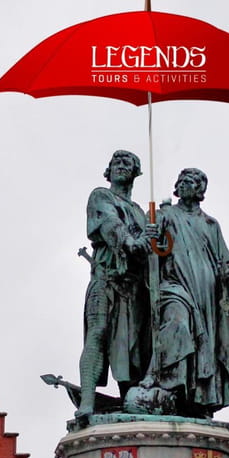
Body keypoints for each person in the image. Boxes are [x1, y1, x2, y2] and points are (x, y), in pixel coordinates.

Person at [142, 168, 229, 417]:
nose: (185, 184)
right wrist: (150, 228)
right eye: (182, 181)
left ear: (200, 190)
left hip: (206, 293)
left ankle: (197, 398)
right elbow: (150, 233)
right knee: (177, 323)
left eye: (192, 182)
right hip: (175, 285)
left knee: (204, 345)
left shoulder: (210, 224)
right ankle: (169, 384)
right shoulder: (167, 214)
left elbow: (225, 259)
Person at [77, 150, 151, 417]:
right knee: (98, 334)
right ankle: (87, 401)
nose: (121, 166)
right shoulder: (101, 196)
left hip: (133, 287)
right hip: (105, 278)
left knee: (131, 348)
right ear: (108, 171)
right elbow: (109, 224)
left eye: (127, 163)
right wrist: (133, 242)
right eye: (116, 163)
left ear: (136, 172)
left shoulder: (141, 213)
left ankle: (128, 400)